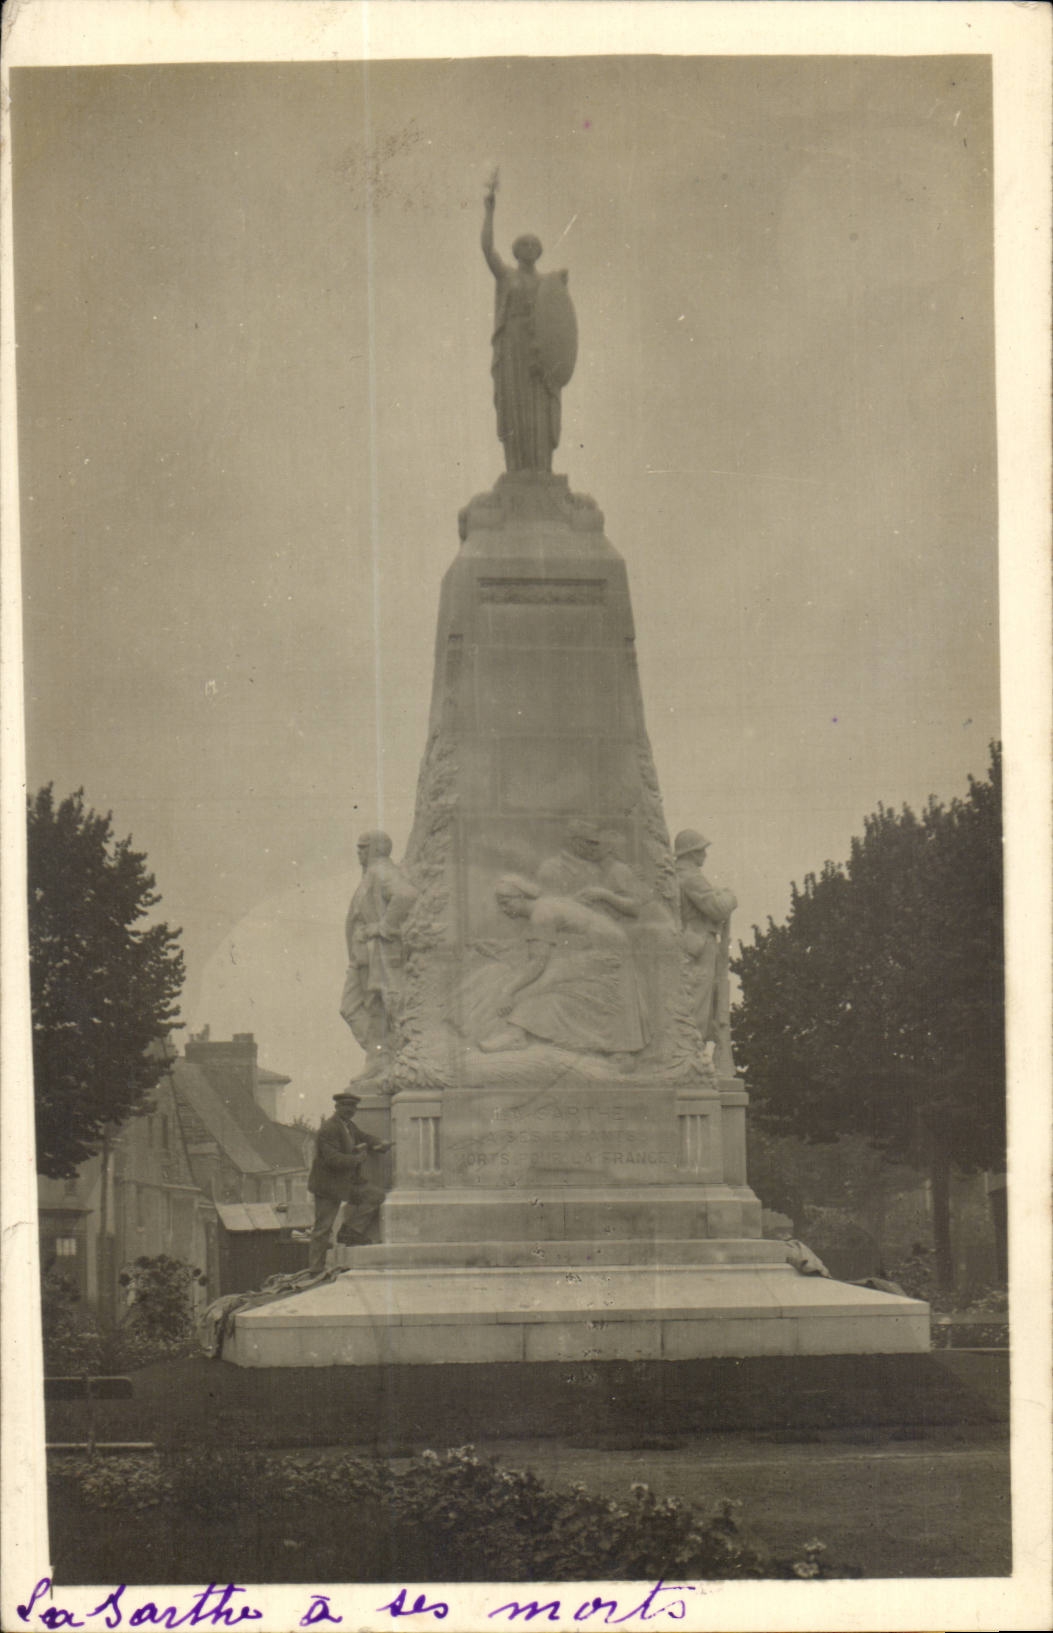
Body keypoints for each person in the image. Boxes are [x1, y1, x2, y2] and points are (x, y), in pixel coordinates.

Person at [463, 875, 649, 1056]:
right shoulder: (546, 904)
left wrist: (508, 991)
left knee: (540, 982)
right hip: (606, 944)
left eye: (506, 903)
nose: (503, 909)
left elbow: (537, 964)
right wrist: (499, 947)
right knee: (544, 977)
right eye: (500, 904)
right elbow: (534, 947)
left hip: (606, 951)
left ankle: (515, 1035)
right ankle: (516, 1033)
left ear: (521, 897)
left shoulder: (541, 915)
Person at [481, 171, 575, 473]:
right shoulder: (507, 276)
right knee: (515, 408)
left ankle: (541, 469)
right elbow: (487, 250)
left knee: (539, 408)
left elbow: (556, 319)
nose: (530, 248)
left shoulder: (547, 284)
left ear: (539, 251)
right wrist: (489, 212)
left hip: (540, 355)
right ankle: (517, 469)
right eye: (525, 244)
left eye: (535, 245)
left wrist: (559, 286)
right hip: (513, 349)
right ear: (516, 251)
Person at [340, 831, 418, 1078]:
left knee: (379, 1005)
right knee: (353, 1007)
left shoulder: (382, 870)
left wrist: (384, 927)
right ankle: (381, 1055)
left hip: (379, 953)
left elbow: (406, 895)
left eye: (363, 847)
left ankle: (382, 1057)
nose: (359, 852)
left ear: (375, 849)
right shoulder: (371, 873)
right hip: (364, 955)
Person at [307, 1090, 392, 1272]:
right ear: (337, 1107)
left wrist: (379, 1143)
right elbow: (333, 1159)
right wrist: (357, 1159)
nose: (350, 1110)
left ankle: (350, 1232)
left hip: (346, 1183)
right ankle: (315, 1268)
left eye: (353, 1107)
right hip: (328, 1186)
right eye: (345, 1106)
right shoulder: (329, 1128)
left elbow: (363, 1137)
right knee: (323, 1228)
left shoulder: (348, 1125)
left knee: (375, 1196)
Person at [674, 829, 737, 1059]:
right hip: (699, 943)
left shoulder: (676, 875)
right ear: (691, 852)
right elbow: (717, 908)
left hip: (689, 941)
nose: (705, 855)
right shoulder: (691, 877)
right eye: (701, 850)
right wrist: (730, 898)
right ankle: (692, 1055)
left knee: (694, 997)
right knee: (698, 1000)